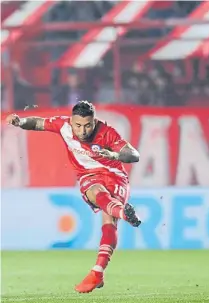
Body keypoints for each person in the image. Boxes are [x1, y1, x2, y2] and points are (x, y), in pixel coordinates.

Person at [6, 101, 142, 293]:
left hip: (115, 176)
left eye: (88, 125)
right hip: (89, 176)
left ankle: (98, 271)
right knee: (97, 193)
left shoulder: (107, 132)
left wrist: (113, 155)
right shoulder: (64, 126)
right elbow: (38, 123)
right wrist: (21, 121)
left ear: (94, 122)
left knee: (108, 219)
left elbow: (133, 155)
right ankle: (121, 218)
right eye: (78, 125)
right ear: (72, 121)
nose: (83, 130)